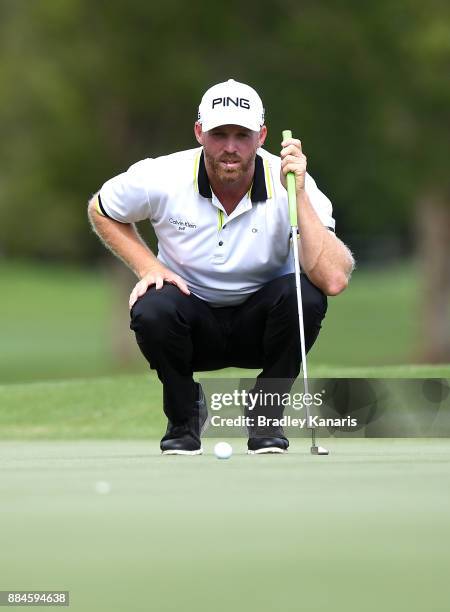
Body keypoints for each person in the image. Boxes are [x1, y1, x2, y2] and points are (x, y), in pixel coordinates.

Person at [87, 79, 354, 456]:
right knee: (152, 306)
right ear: (200, 132)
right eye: (219, 134)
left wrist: (299, 195)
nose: (230, 147)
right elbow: (102, 209)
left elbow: (334, 278)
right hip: (190, 325)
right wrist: (148, 266)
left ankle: (266, 413)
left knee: (305, 295)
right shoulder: (162, 176)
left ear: (261, 136)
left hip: (261, 328)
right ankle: (184, 415)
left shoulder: (290, 182)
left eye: (242, 135)